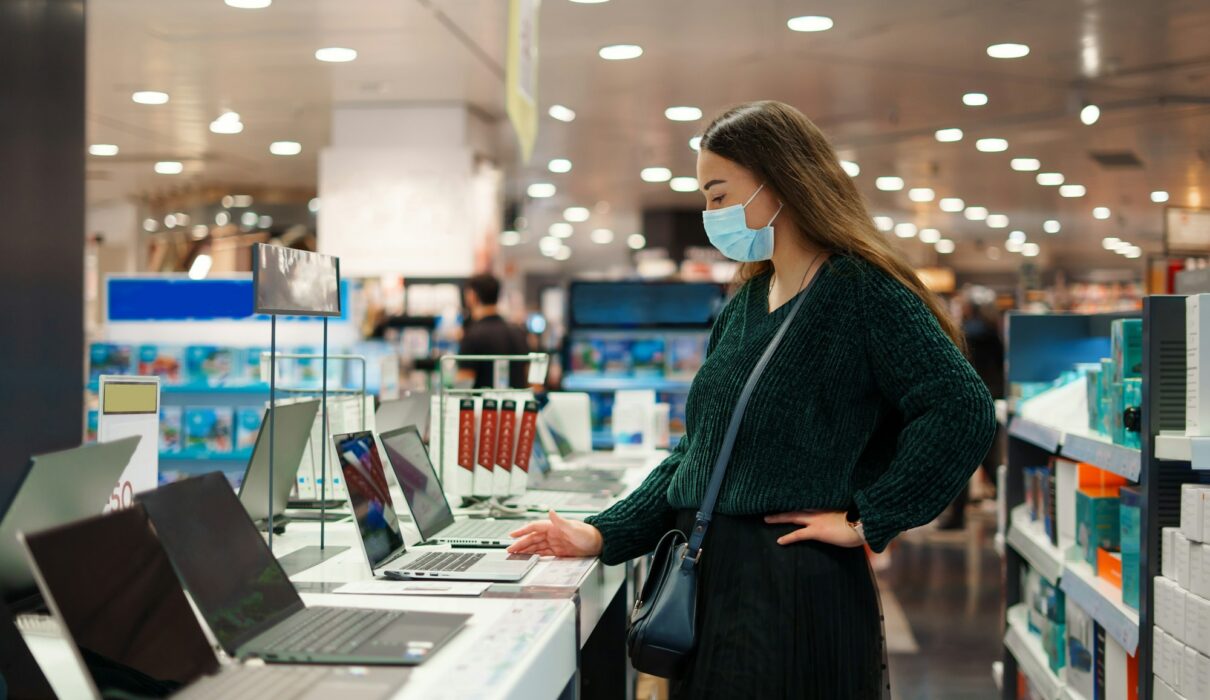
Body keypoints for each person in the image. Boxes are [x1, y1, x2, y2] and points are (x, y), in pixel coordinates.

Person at [508, 101, 996, 699]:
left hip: (792, 586)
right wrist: (605, 533)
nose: (710, 215)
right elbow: (701, 455)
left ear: (782, 182)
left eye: (718, 195)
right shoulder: (745, 301)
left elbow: (961, 408)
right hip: (714, 579)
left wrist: (869, 516)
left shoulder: (860, 290)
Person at [457, 273, 530, 388]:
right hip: (517, 403)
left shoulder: (472, 335)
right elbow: (529, 377)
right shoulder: (518, 332)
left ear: (472, 296)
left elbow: (464, 383)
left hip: (482, 405)